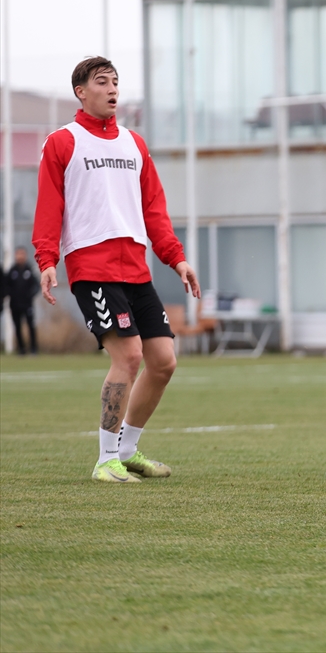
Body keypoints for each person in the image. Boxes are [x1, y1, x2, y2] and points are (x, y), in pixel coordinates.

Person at [34, 56, 201, 483]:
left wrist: (176, 257)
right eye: (103, 82)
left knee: (163, 361)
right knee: (127, 356)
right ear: (81, 92)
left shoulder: (134, 144)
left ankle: (127, 452)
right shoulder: (62, 142)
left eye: (116, 83)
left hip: (136, 268)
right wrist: (47, 260)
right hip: (93, 268)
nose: (112, 90)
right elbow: (49, 208)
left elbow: (154, 210)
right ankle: (104, 459)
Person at [5, 246, 41, 355]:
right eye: (18, 254)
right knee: (17, 327)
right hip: (15, 304)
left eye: (22, 254)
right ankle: (21, 349)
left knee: (31, 326)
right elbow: (6, 286)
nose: (20, 257)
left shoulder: (29, 269)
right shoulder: (12, 271)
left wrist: (30, 295)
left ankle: (33, 349)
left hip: (27, 304)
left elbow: (36, 286)